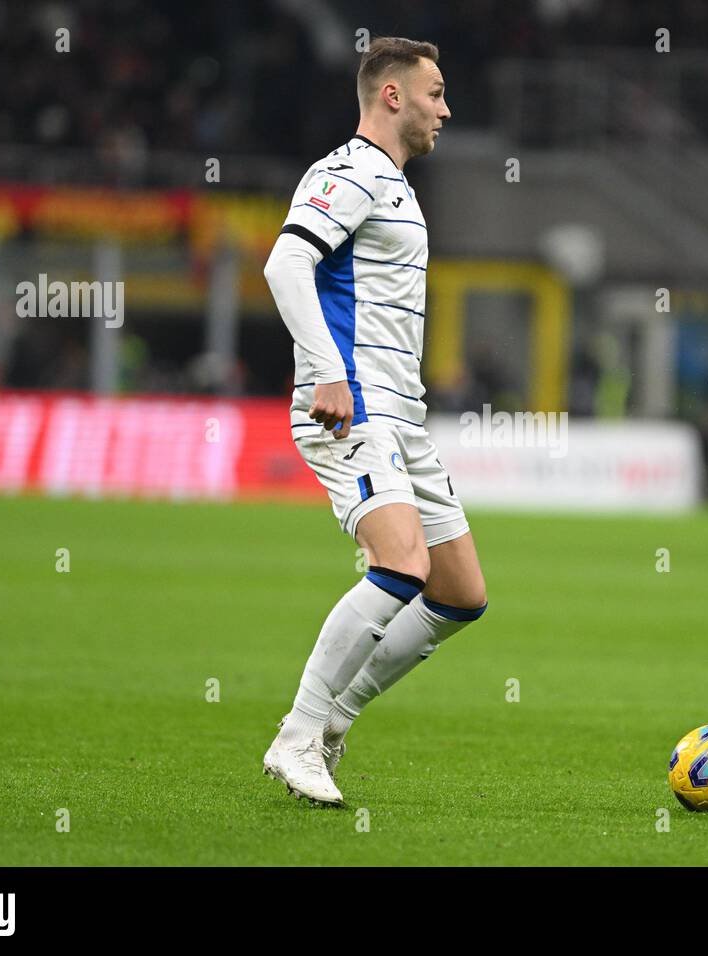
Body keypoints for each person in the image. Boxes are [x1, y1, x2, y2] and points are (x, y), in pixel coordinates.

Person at [261, 36, 487, 807]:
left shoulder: (394, 185)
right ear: (392, 95)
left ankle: (335, 721)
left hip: (403, 418)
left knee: (459, 594)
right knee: (400, 566)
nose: (445, 109)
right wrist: (327, 371)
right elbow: (284, 264)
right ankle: (297, 735)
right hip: (350, 408)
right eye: (435, 93)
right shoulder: (348, 172)